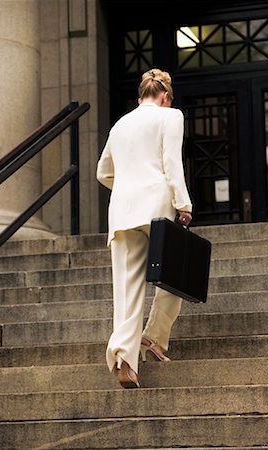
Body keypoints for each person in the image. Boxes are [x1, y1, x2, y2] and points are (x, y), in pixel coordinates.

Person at [96, 68, 193, 388]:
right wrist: (183, 203)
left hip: (122, 210)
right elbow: (171, 162)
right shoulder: (171, 116)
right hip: (156, 206)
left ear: (141, 97)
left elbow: (102, 172)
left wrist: (126, 186)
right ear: (165, 96)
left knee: (126, 287)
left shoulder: (120, 124)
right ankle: (153, 338)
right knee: (175, 273)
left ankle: (125, 358)